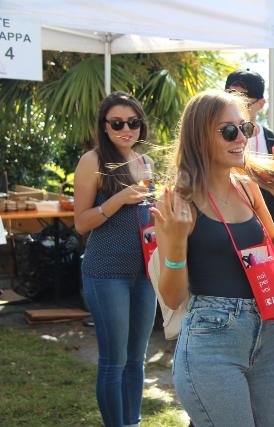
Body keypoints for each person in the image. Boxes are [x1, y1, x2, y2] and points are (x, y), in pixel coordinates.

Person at [152, 89, 274, 426]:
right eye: (229, 131)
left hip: (266, 336)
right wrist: (176, 243)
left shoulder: (247, 188)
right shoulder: (179, 201)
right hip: (211, 340)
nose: (241, 138)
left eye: (245, 128)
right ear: (200, 137)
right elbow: (172, 298)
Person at [74, 91, 157, 427]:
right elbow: (81, 223)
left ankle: (132, 421)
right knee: (114, 361)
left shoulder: (145, 162)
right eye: (117, 123)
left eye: (133, 122)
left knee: (136, 359)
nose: (126, 129)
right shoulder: (92, 160)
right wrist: (119, 198)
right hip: (107, 272)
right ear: (105, 126)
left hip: (145, 274)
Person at [225, 68, 274, 223]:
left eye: (245, 104)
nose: (237, 110)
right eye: (231, 102)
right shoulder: (215, 138)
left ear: (261, 104)